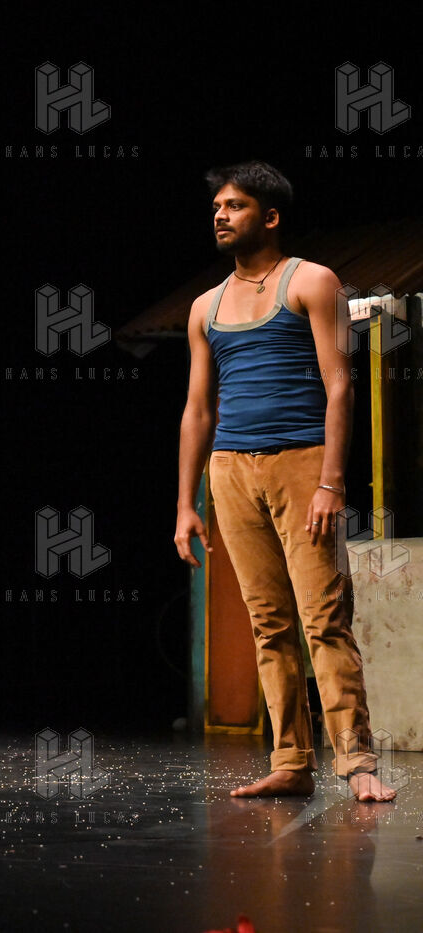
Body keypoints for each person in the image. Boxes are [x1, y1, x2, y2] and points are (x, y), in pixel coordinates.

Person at [174, 160, 394, 802]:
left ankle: (357, 762)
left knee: (324, 616)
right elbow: (198, 409)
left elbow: (339, 384)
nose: (221, 216)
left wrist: (331, 481)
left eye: (235, 206)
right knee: (267, 622)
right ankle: (291, 760)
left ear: (270, 217)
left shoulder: (313, 281)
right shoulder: (205, 307)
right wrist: (186, 503)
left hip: (302, 461)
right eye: (217, 207)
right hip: (229, 470)